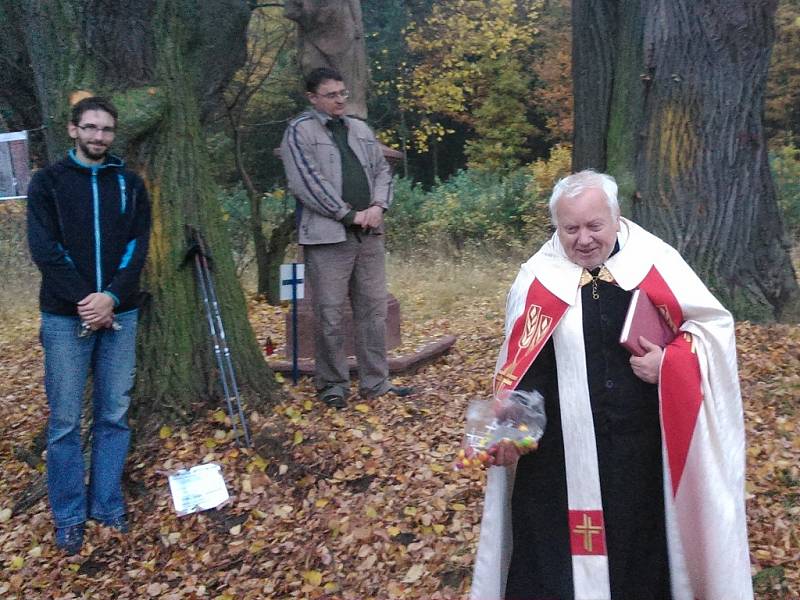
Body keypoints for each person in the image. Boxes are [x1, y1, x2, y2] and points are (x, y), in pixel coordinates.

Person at [470, 171, 752, 600]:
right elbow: (523, 372)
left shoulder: (654, 262)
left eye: (594, 226)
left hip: (640, 460)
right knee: (555, 573)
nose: (583, 239)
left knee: (640, 566)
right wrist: (507, 432)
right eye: (571, 229)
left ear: (616, 218)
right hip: (559, 467)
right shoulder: (537, 279)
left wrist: (670, 365)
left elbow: (712, 328)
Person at [27, 96, 151, 554]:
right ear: (73, 129)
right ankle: (68, 515)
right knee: (63, 421)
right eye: (91, 128)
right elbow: (44, 249)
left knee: (114, 415)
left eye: (107, 130)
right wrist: (87, 300)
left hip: (121, 312)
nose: (99, 137)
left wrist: (111, 297)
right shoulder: (48, 182)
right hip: (65, 317)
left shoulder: (130, 184)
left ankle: (106, 504)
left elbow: (137, 247)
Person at [280, 67, 412, 408]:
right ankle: (333, 386)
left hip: (369, 235)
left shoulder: (360, 129)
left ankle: (376, 383)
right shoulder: (299, 132)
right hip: (327, 238)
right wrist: (348, 214)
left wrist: (379, 206)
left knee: (373, 311)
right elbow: (306, 183)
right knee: (329, 314)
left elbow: (383, 170)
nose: (340, 100)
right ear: (312, 98)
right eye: (331, 95)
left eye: (343, 93)